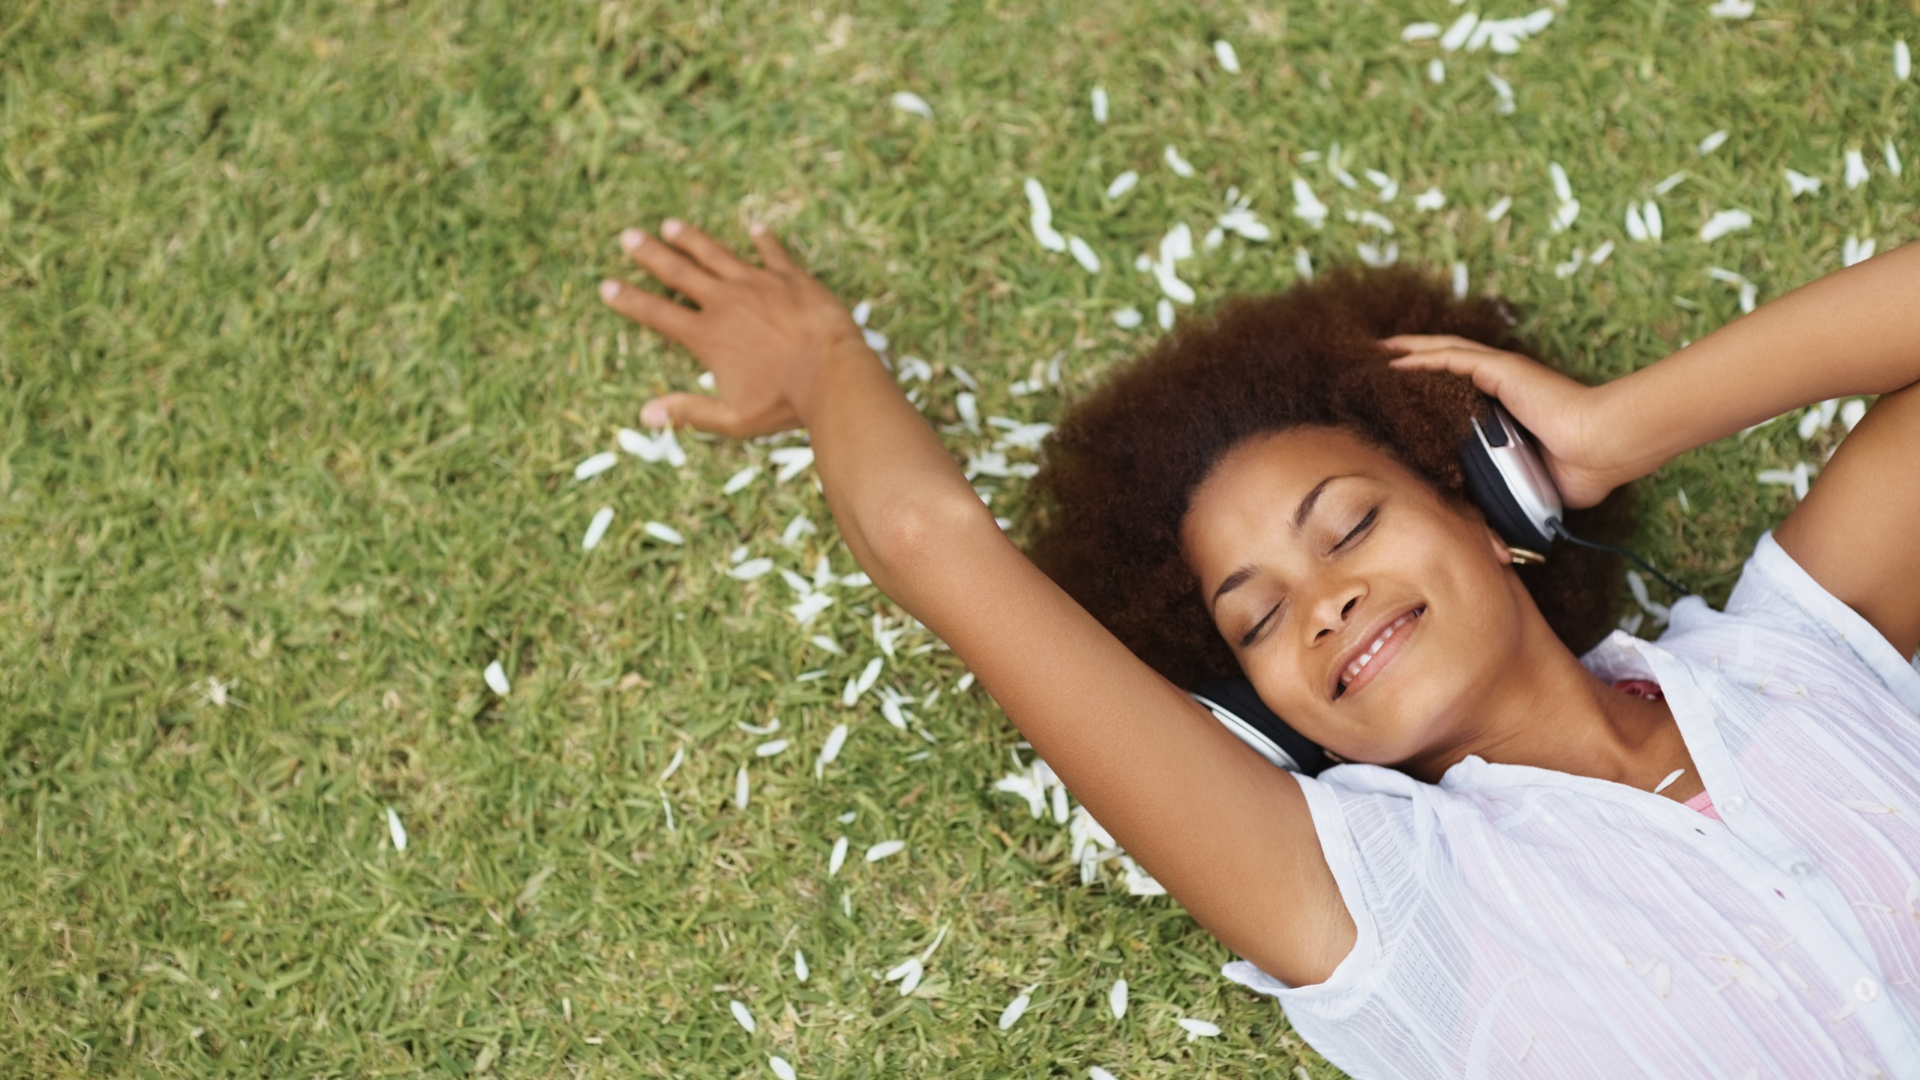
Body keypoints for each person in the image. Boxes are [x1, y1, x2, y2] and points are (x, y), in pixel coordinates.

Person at [597, 219, 1920, 1078]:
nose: (1325, 603)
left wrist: (1618, 430)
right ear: (1268, 714)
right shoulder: (1388, 905)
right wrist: (824, 362)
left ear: (1495, 510)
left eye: (1348, 525)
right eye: (1258, 617)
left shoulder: (1804, 653)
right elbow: (932, 541)